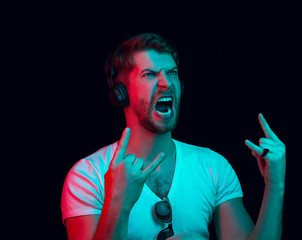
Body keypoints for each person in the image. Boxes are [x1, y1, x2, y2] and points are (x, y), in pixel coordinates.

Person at [61, 33, 286, 240]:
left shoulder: (212, 167)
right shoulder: (87, 176)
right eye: (149, 74)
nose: (166, 83)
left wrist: (274, 186)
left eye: (172, 73)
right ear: (121, 93)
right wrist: (118, 203)